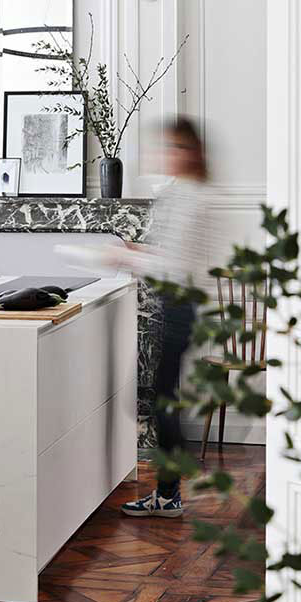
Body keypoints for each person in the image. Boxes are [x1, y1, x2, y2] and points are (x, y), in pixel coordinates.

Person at [117, 117, 212, 519]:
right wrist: (139, 253)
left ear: (190, 151)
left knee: (162, 401)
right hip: (173, 304)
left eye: (173, 148)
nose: (165, 156)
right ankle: (169, 489)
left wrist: (130, 259)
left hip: (179, 307)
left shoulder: (193, 198)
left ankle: (170, 492)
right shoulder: (178, 193)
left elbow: (178, 264)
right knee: (161, 399)